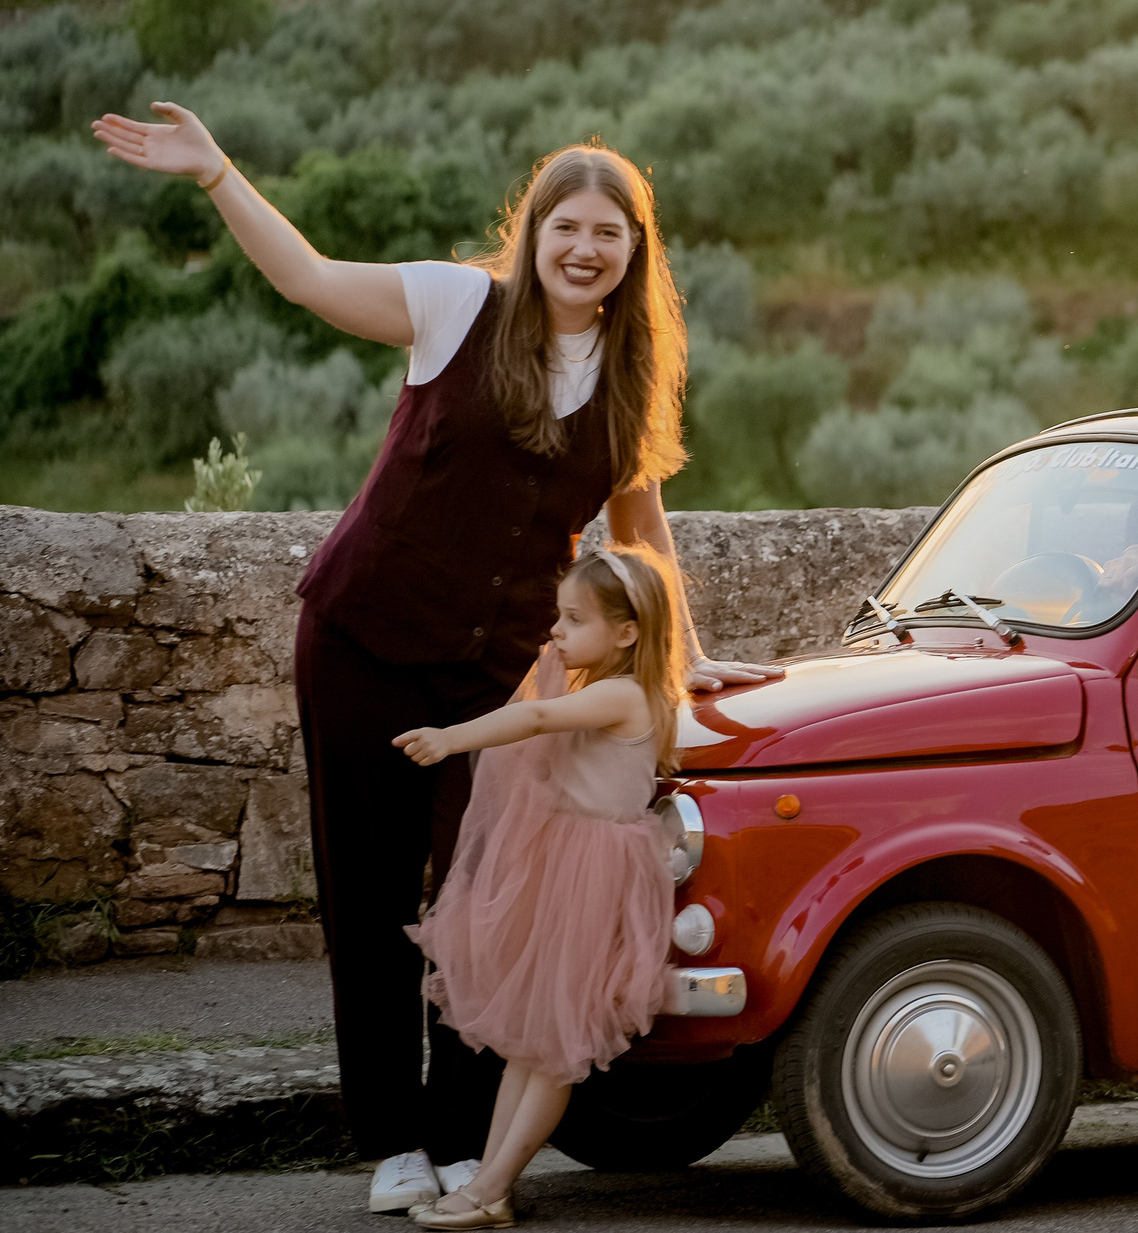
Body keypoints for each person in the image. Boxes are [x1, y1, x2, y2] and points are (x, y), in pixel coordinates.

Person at [89, 102, 779, 1214]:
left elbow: (639, 530)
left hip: (496, 674)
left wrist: (678, 661)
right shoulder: (458, 306)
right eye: (566, 227)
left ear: (633, 252)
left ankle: (463, 1137)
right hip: (361, 638)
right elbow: (310, 278)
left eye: (608, 233)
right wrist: (216, 171)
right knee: (367, 899)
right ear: (535, 232)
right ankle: (392, 1140)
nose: (584, 249)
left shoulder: (630, 374)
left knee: (481, 899)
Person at [392, 545, 685, 1229]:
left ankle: (492, 1186)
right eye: (559, 615)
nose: (557, 630)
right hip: (567, 867)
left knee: (554, 1047)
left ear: (627, 632)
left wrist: (451, 737)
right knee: (530, 1046)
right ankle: (487, 1184)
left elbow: (535, 719)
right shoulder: (601, 685)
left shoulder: (623, 694)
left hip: (594, 876)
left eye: (575, 619)